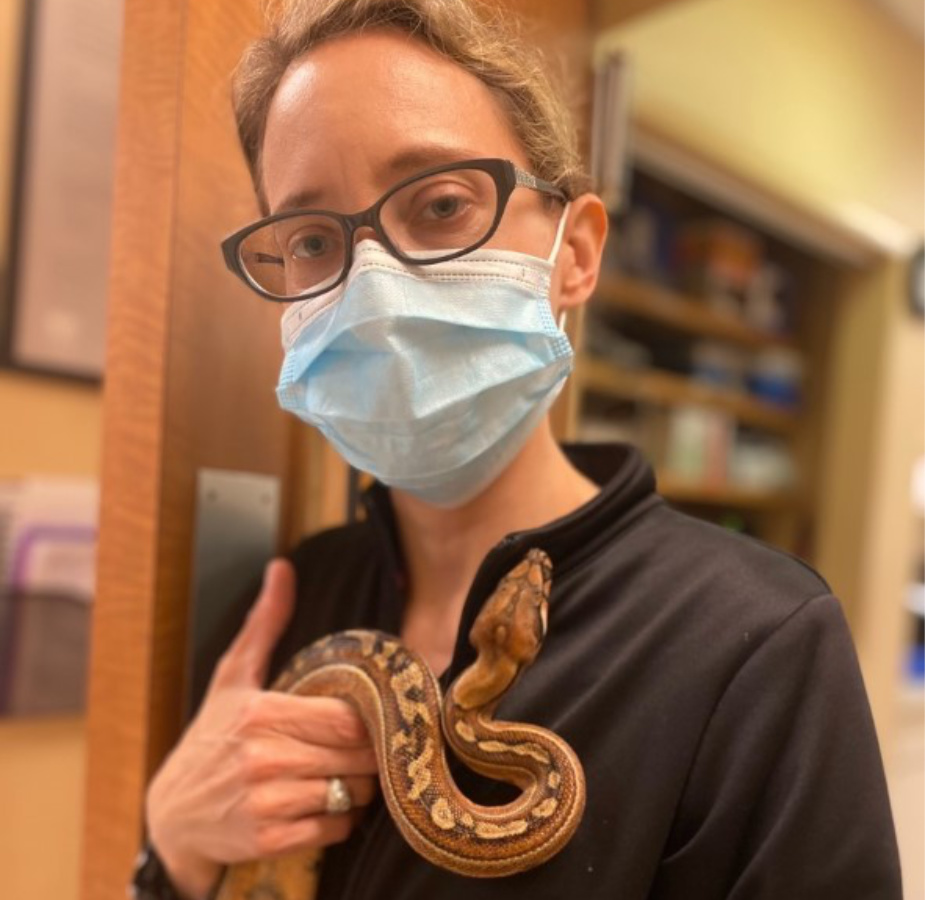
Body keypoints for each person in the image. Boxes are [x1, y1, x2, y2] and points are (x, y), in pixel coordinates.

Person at [133, 1, 903, 898]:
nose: (373, 285)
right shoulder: (293, 599)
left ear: (573, 253)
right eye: (311, 240)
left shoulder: (756, 646)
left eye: (442, 204)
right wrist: (173, 856)